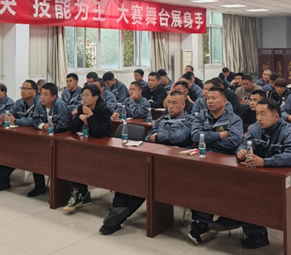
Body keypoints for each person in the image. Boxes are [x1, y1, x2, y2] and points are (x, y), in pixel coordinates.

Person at [100, 91, 191, 235]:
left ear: (183, 104)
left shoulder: (189, 120)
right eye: (169, 103)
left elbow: (180, 137)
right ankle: (117, 210)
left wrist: (159, 136)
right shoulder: (162, 119)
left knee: (146, 183)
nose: (170, 106)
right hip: (153, 157)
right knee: (127, 174)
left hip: (173, 163)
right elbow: (149, 137)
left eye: (175, 103)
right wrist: (159, 138)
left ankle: (117, 216)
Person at [229, 98, 291, 249]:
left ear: (276, 116)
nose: (259, 118)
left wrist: (266, 162)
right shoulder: (255, 128)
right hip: (264, 173)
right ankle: (239, 220)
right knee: (239, 185)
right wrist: (241, 152)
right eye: (257, 113)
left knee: (253, 192)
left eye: (263, 114)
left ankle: (257, 233)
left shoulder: (288, 131)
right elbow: (244, 144)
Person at [187, 87, 243, 245]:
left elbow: (234, 141)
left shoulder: (234, 119)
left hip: (225, 160)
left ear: (224, 101)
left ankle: (204, 221)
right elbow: (196, 136)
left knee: (211, 183)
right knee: (193, 180)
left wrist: (209, 140)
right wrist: (220, 135)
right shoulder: (200, 116)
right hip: (203, 158)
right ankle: (202, 221)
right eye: (208, 98)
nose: (210, 101)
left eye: (214, 98)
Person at [0, 80, 44, 192]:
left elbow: (36, 120)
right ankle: (3, 180)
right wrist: (5, 117)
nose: (23, 91)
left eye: (26, 88)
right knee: (4, 149)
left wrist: (17, 121)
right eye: (22, 88)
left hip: (37, 137)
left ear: (35, 91)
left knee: (26, 154)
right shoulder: (18, 102)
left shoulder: (40, 103)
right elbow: (10, 114)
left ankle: (0, 178)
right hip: (20, 136)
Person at [65, 84, 112, 212]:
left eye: (87, 95)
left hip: (104, 147)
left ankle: (81, 195)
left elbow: (99, 133)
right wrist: (80, 118)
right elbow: (72, 129)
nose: (83, 98)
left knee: (79, 161)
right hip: (87, 144)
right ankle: (78, 194)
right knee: (72, 159)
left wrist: (90, 115)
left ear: (95, 97)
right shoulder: (82, 107)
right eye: (82, 96)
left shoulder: (104, 110)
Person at [26, 82, 73, 197]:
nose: (42, 97)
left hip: (62, 139)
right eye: (41, 94)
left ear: (53, 97)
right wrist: (43, 126)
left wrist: (50, 127)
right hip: (46, 136)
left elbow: (65, 125)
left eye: (45, 94)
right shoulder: (39, 103)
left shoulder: (60, 105)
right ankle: (39, 186)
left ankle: (62, 191)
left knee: (57, 162)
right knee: (35, 156)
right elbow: (35, 119)